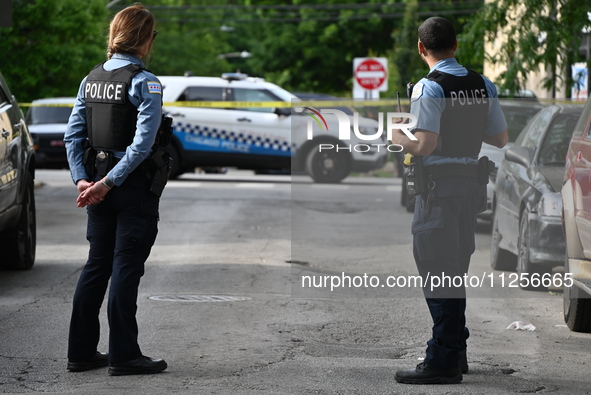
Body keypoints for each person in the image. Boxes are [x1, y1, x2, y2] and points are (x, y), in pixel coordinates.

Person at [390, 17, 508, 384]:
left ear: (422, 48)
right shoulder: (482, 83)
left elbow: (425, 145)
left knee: (437, 270)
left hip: (439, 190)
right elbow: (501, 139)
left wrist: (398, 134)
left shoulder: (429, 88)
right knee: (453, 270)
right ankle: (456, 351)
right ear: (455, 45)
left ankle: (442, 359)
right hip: (470, 190)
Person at [64, 3, 167, 376]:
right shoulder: (145, 81)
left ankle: (81, 353)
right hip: (130, 188)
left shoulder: (89, 80)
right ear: (143, 39)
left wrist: (84, 181)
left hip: (96, 186)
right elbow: (142, 146)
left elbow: (73, 136)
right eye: (152, 36)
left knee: (96, 266)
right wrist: (109, 184)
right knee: (126, 268)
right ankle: (124, 355)